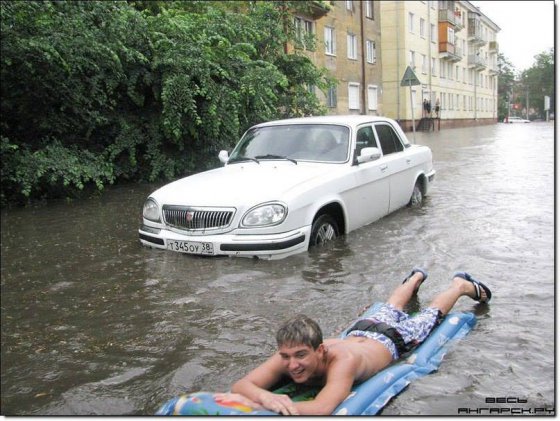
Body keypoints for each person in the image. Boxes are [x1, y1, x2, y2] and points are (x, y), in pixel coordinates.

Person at [230, 269, 492, 415]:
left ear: (319, 350)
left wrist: (276, 409)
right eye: (286, 357)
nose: (292, 364)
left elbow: (322, 407)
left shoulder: (343, 362)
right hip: (361, 331)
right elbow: (241, 385)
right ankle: (415, 278)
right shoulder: (288, 353)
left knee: (431, 314)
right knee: (391, 306)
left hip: (393, 340)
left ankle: (460, 286)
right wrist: (265, 396)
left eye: (300, 356)